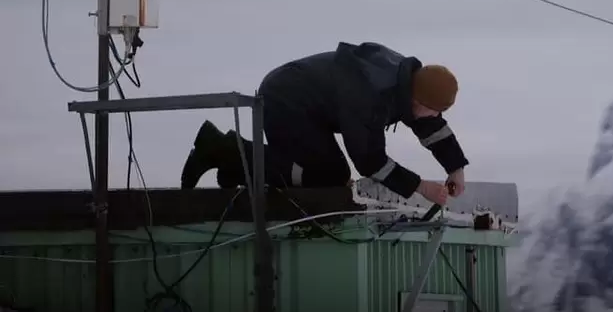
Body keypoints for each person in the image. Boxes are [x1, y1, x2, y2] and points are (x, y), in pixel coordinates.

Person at [179, 41, 468, 206]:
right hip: (286, 101)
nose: (434, 118)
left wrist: (455, 168)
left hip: (310, 105)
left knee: (331, 174)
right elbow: (369, 160)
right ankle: (223, 149)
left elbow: (429, 124)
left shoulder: (406, 84)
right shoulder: (369, 95)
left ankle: (237, 164)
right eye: (434, 111)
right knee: (329, 176)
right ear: (419, 100)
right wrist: (419, 186)